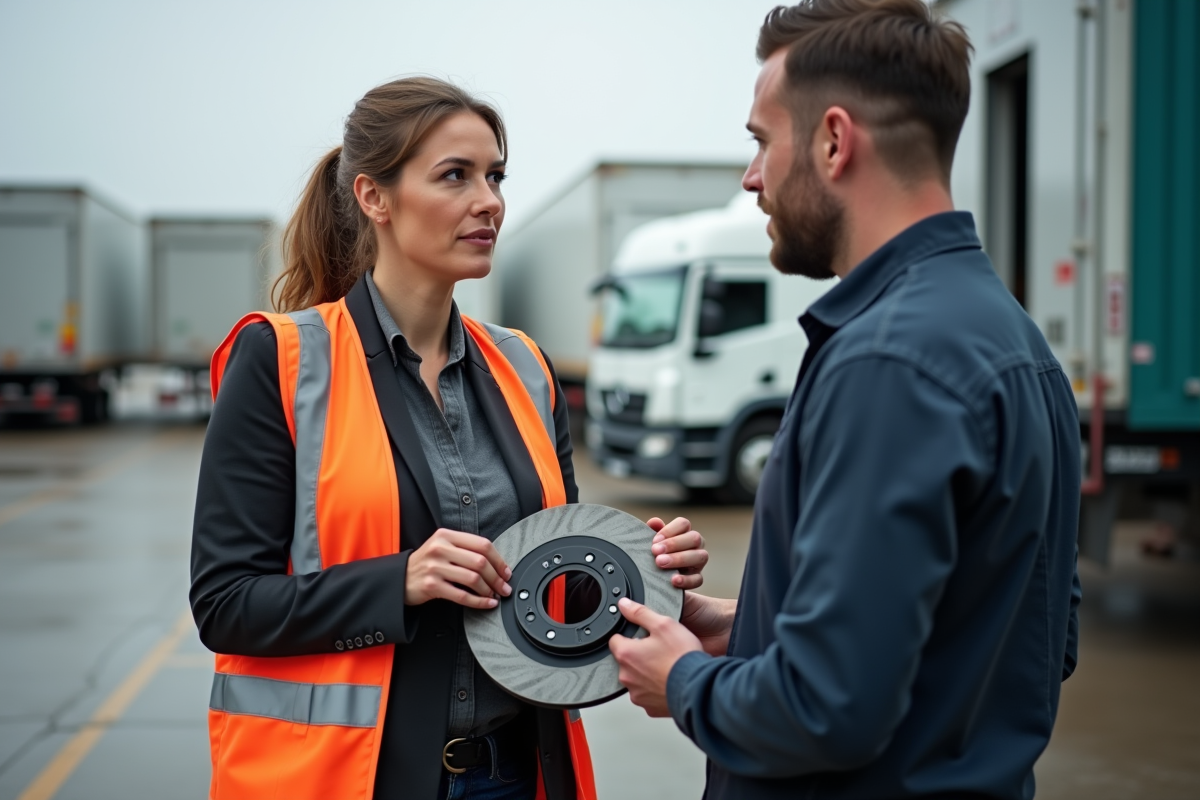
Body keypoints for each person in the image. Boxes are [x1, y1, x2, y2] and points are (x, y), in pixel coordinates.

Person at [609, 2, 1083, 798]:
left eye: (761, 141)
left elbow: (826, 709)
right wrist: (747, 629)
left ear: (834, 141)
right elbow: (1037, 638)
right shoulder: (1016, 343)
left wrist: (686, 683)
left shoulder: (886, 362)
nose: (750, 176)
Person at [189, 77, 709, 800]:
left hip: (516, 770)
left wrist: (645, 571)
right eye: (455, 176)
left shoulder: (526, 367)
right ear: (375, 198)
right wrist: (397, 581)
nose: (489, 200)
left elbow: (552, 587)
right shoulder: (281, 362)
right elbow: (225, 603)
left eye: (495, 176)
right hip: (354, 779)